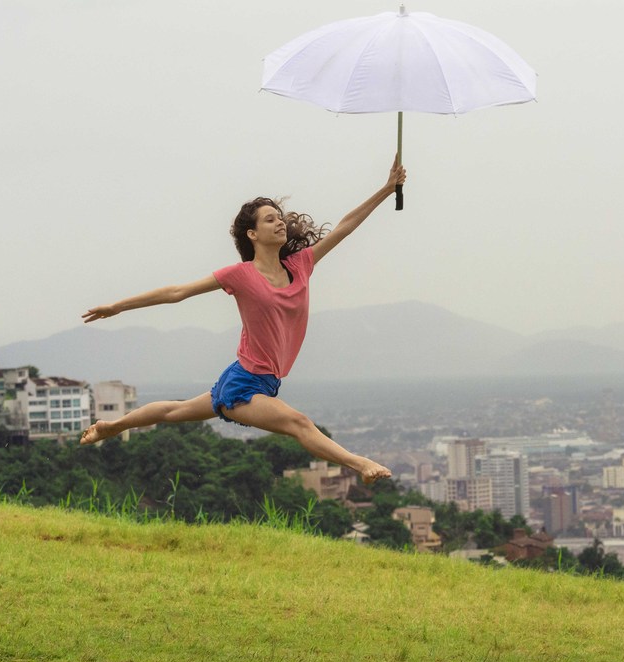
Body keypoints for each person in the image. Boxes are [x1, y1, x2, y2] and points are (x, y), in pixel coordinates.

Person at [78, 158, 407, 485]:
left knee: (172, 412)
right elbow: (178, 291)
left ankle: (112, 426)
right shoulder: (241, 275)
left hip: (252, 378)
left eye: (279, 218)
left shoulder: (301, 264)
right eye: (269, 220)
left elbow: (345, 226)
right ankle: (360, 464)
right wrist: (117, 306)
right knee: (299, 423)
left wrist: (386, 188)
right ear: (252, 233)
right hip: (245, 383)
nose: (279, 223)